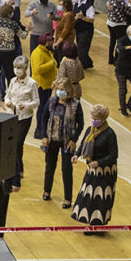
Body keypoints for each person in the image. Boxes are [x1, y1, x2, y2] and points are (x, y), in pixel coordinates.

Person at [36, 78, 83, 209]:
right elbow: (43, 118)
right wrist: (44, 136)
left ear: (68, 90)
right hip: (52, 139)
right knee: (50, 167)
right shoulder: (52, 102)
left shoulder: (75, 104)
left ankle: (68, 198)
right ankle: (46, 191)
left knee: (66, 169)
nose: (60, 91)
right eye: (58, 89)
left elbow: (81, 124)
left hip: (67, 142)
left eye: (62, 89)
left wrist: (74, 139)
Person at [70, 104, 117, 232]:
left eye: (96, 117)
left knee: (100, 198)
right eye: (92, 117)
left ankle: (97, 225)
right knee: (88, 196)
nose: (93, 119)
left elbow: (114, 155)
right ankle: (89, 222)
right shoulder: (90, 130)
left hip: (105, 172)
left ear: (103, 118)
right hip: (92, 170)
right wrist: (77, 155)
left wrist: (98, 162)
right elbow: (83, 144)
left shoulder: (110, 134)